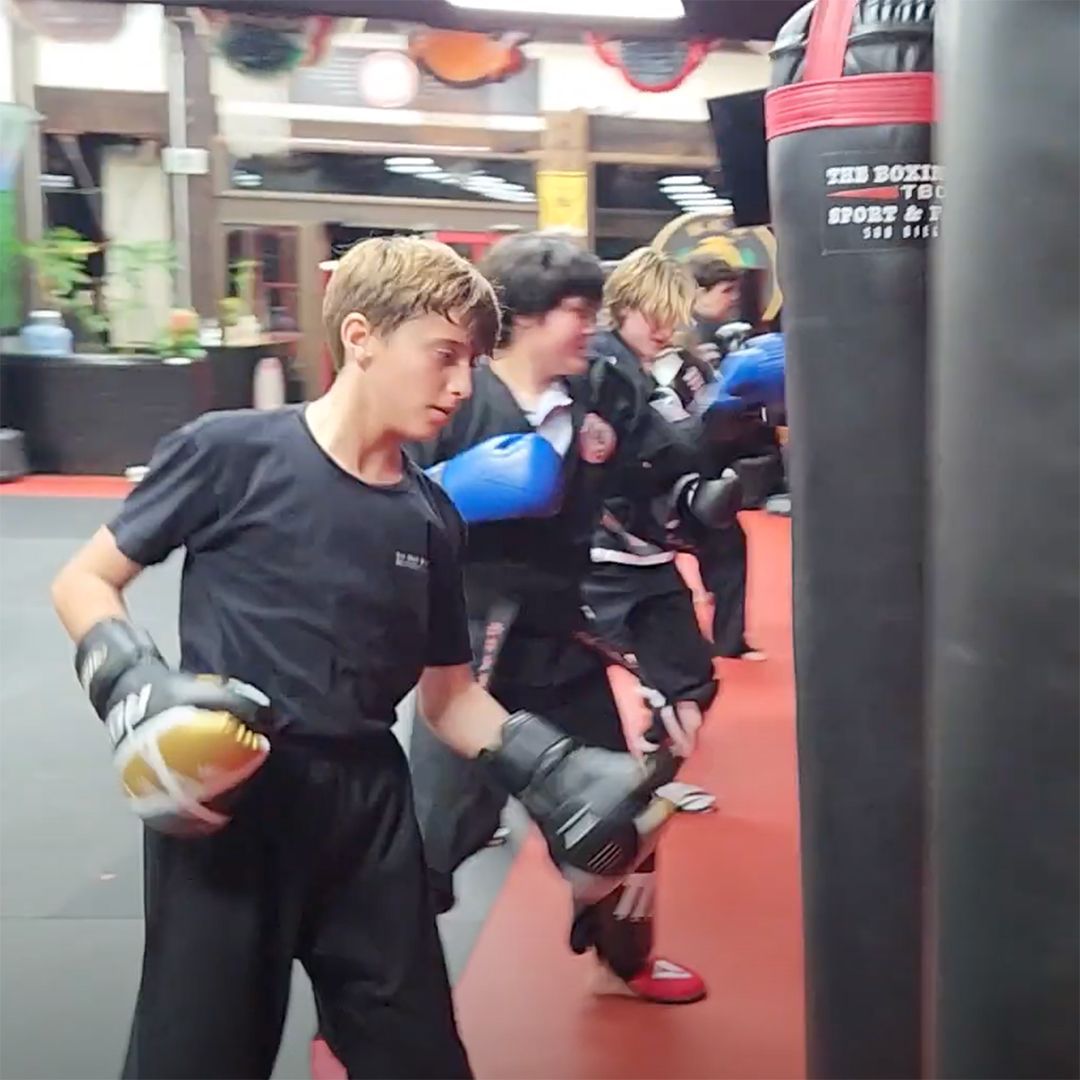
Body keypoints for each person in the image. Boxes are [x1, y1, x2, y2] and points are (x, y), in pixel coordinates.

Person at [49, 236, 675, 1080]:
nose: (462, 386)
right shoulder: (231, 452)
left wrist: (554, 766)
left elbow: (450, 699)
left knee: (419, 1059)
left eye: (474, 363)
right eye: (445, 356)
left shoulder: (429, 516)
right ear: (361, 337)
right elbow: (85, 580)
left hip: (371, 812)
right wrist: (135, 682)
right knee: (194, 1059)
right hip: (232, 799)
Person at [407, 232, 709, 1005]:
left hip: (559, 631)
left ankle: (625, 958)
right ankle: (375, 993)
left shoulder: (601, 384)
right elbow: (376, 501)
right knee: (425, 843)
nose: (588, 325)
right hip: (467, 655)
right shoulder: (457, 396)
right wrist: (445, 493)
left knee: (626, 812)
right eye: (575, 311)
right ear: (526, 319)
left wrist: (699, 465)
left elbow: (668, 456)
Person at [583, 247, 726, 762]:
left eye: (672, 318)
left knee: (693, 681)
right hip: (598, 561)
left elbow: (687, 451)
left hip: (645, 553)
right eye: (653, 316)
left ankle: (654, 765)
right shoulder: (597, 370)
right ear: (622, 306)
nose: (664, 330)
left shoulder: (657, 373)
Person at [686, 252, 777, 659]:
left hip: (709, 455)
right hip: (678, 456)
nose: (732, 301)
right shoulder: (681, 339)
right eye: (725, 292)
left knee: (723, 542)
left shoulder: (730, 337)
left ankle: (727, 638)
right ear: (699, 293)